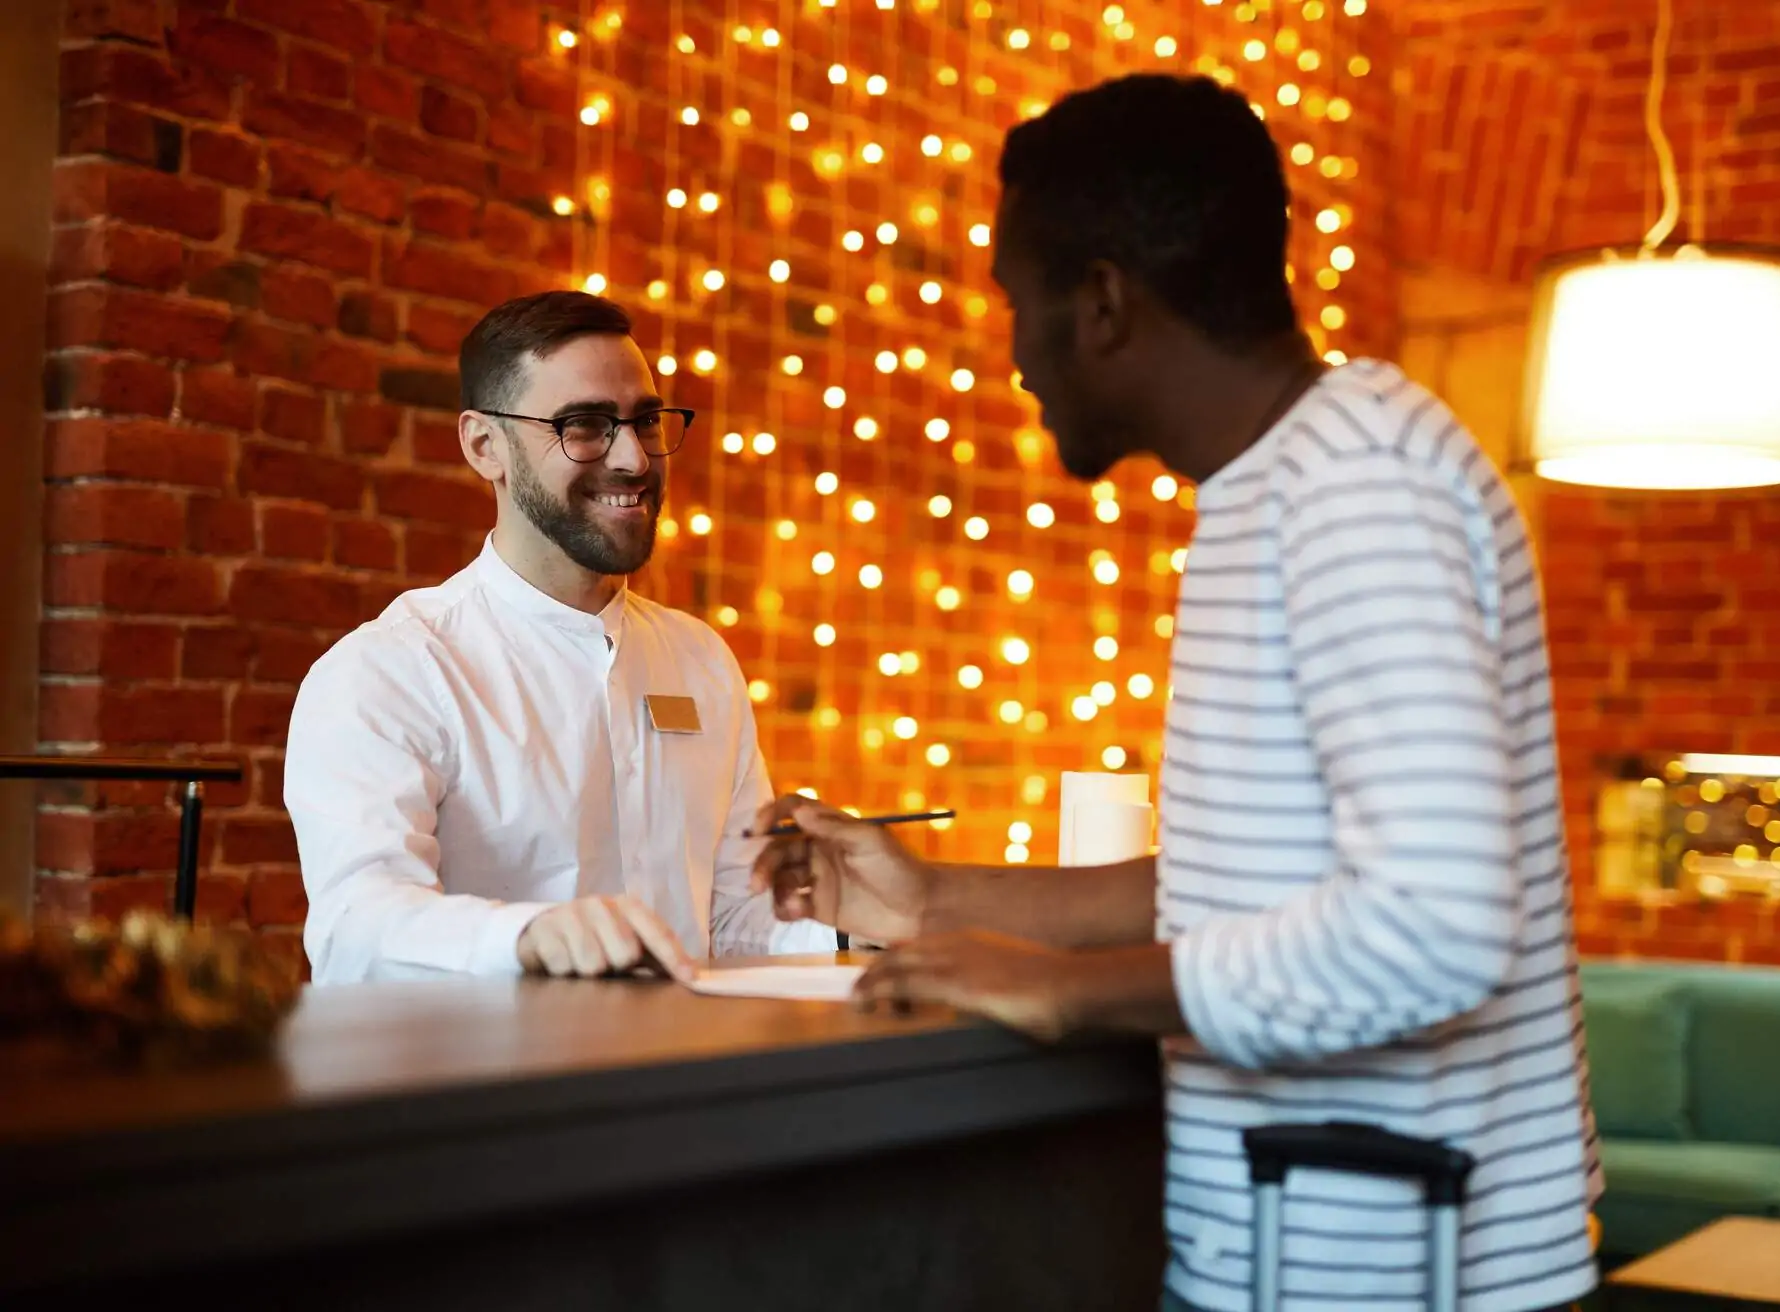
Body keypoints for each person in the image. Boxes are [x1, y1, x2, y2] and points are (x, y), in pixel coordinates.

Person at [752, 75, 1599, 1312]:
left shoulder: (1356, 487)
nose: (1015, 350)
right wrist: (934, 895)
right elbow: (1271, 884)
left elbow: (1436, 921)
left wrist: (1068, 989)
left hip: (1395, 1280)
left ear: (1101, 302)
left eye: (1015, 301)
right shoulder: (1286, 476)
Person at [286, 291, 836, 984]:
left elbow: (730, 921)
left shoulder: (701, 660)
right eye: (585, 425)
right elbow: (353, 932)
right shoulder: (389, 670)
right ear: (486, 446)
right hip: (497, 1090)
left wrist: (854, 927)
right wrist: (528, 934)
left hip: (692, 1077)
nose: (634, 458)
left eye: (645, 420)